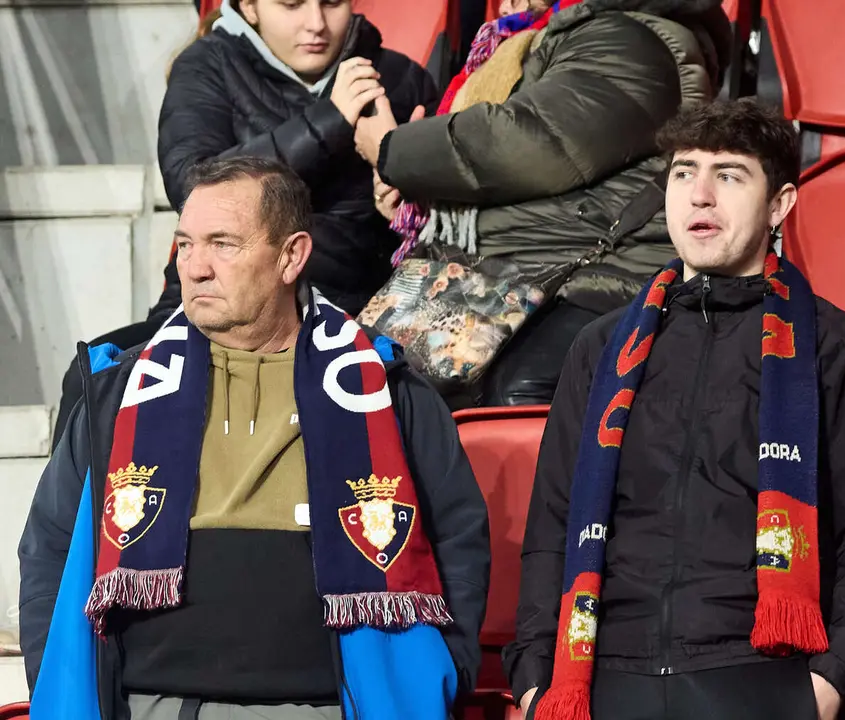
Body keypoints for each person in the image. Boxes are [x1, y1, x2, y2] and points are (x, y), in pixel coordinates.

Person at [19, 157, 490, 720]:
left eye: (222, 244)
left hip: (334, 708)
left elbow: (458, 537)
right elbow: (49, 546)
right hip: (151, 706)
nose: (194, 268)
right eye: (186, 244)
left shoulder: (385, 388)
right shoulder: (118, 391)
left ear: (290, 256)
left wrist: (443, 675)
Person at [504, 99, 845, 720]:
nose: (699, 195)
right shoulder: (600, 348)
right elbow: (552, 528)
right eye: (683, 172)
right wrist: (535, 680)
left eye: (728, 175)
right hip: (609, 677)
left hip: (762, 680)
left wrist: (828, 685)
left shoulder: (836, 346)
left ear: (780, 206)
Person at [47, 0, 438, 448]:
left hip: (351, 311)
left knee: (416, 385)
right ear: (249, 7)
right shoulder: (208, 66)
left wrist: (406, 195)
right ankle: (76, 522)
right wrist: (328, 122)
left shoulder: (400, 80)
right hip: (210, 308)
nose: (315, 23)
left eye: (331, 2)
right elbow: (191, 184)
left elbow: (441, 233)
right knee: (94, 380)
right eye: (291, 5)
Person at [352, 0, 732, 407]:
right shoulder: (551, 32)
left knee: (501, 389)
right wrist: (424, 195)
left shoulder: (628, 38)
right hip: (532, 261)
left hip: (596, 274)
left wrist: (392, 151)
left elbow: (529, 145)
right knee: (359, 377)